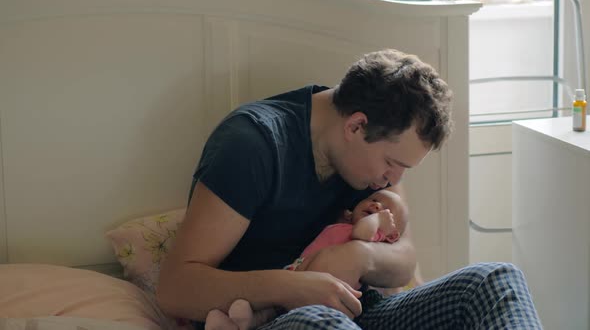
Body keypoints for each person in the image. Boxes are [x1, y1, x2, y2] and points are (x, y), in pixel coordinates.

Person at [157, 48, 542, 329]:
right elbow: (175, 288)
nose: (394, 180)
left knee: (495, 278)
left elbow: (405, 260)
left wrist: (360, 257)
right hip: (272, 320)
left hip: (364, 311)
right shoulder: (252, 145)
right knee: (322, 324)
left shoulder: (372, 162)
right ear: (356, 126)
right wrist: (293, 287)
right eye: (392, 163)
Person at [205, 189, 408, 330]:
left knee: (280, 309)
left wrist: (377, 221)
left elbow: (362, 235)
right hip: (297, 271)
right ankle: (239, 323)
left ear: (391, 236)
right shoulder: (344, 224)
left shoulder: (374, 237)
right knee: (270, 306)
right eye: (374, 200)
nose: (376, 205)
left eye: (386, 210)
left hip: (327, 300)